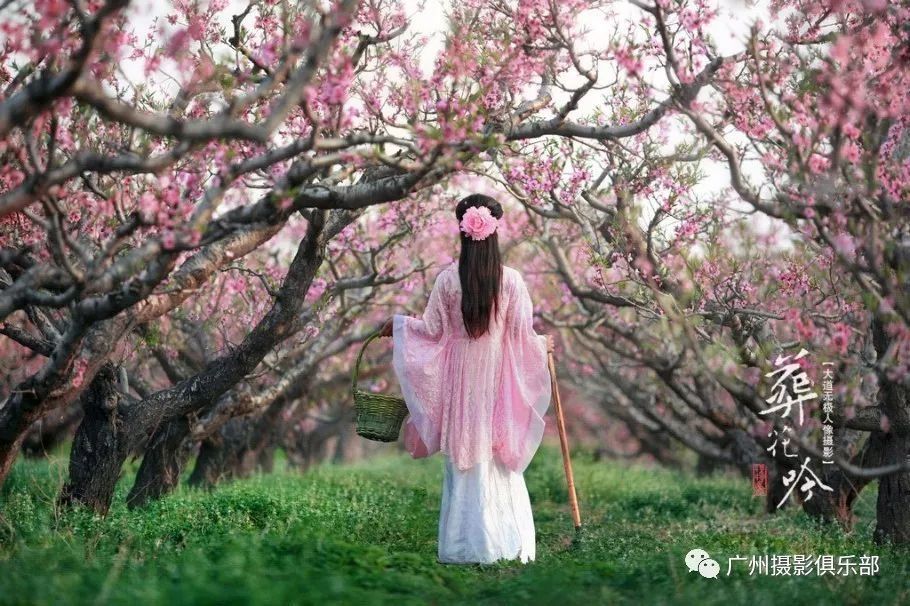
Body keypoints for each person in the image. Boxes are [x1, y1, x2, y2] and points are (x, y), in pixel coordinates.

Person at [378, 193, 554, 565]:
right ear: (494, 231)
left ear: (463, 229)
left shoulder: (447, 280)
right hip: (496, 375)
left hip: (461, 375)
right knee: (496, 457)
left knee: (465, 457)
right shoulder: (512, 281)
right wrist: (543, 346)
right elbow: (522, 335)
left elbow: (430, 329)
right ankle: (506, 547)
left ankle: (461, 547)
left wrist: (398, 326)